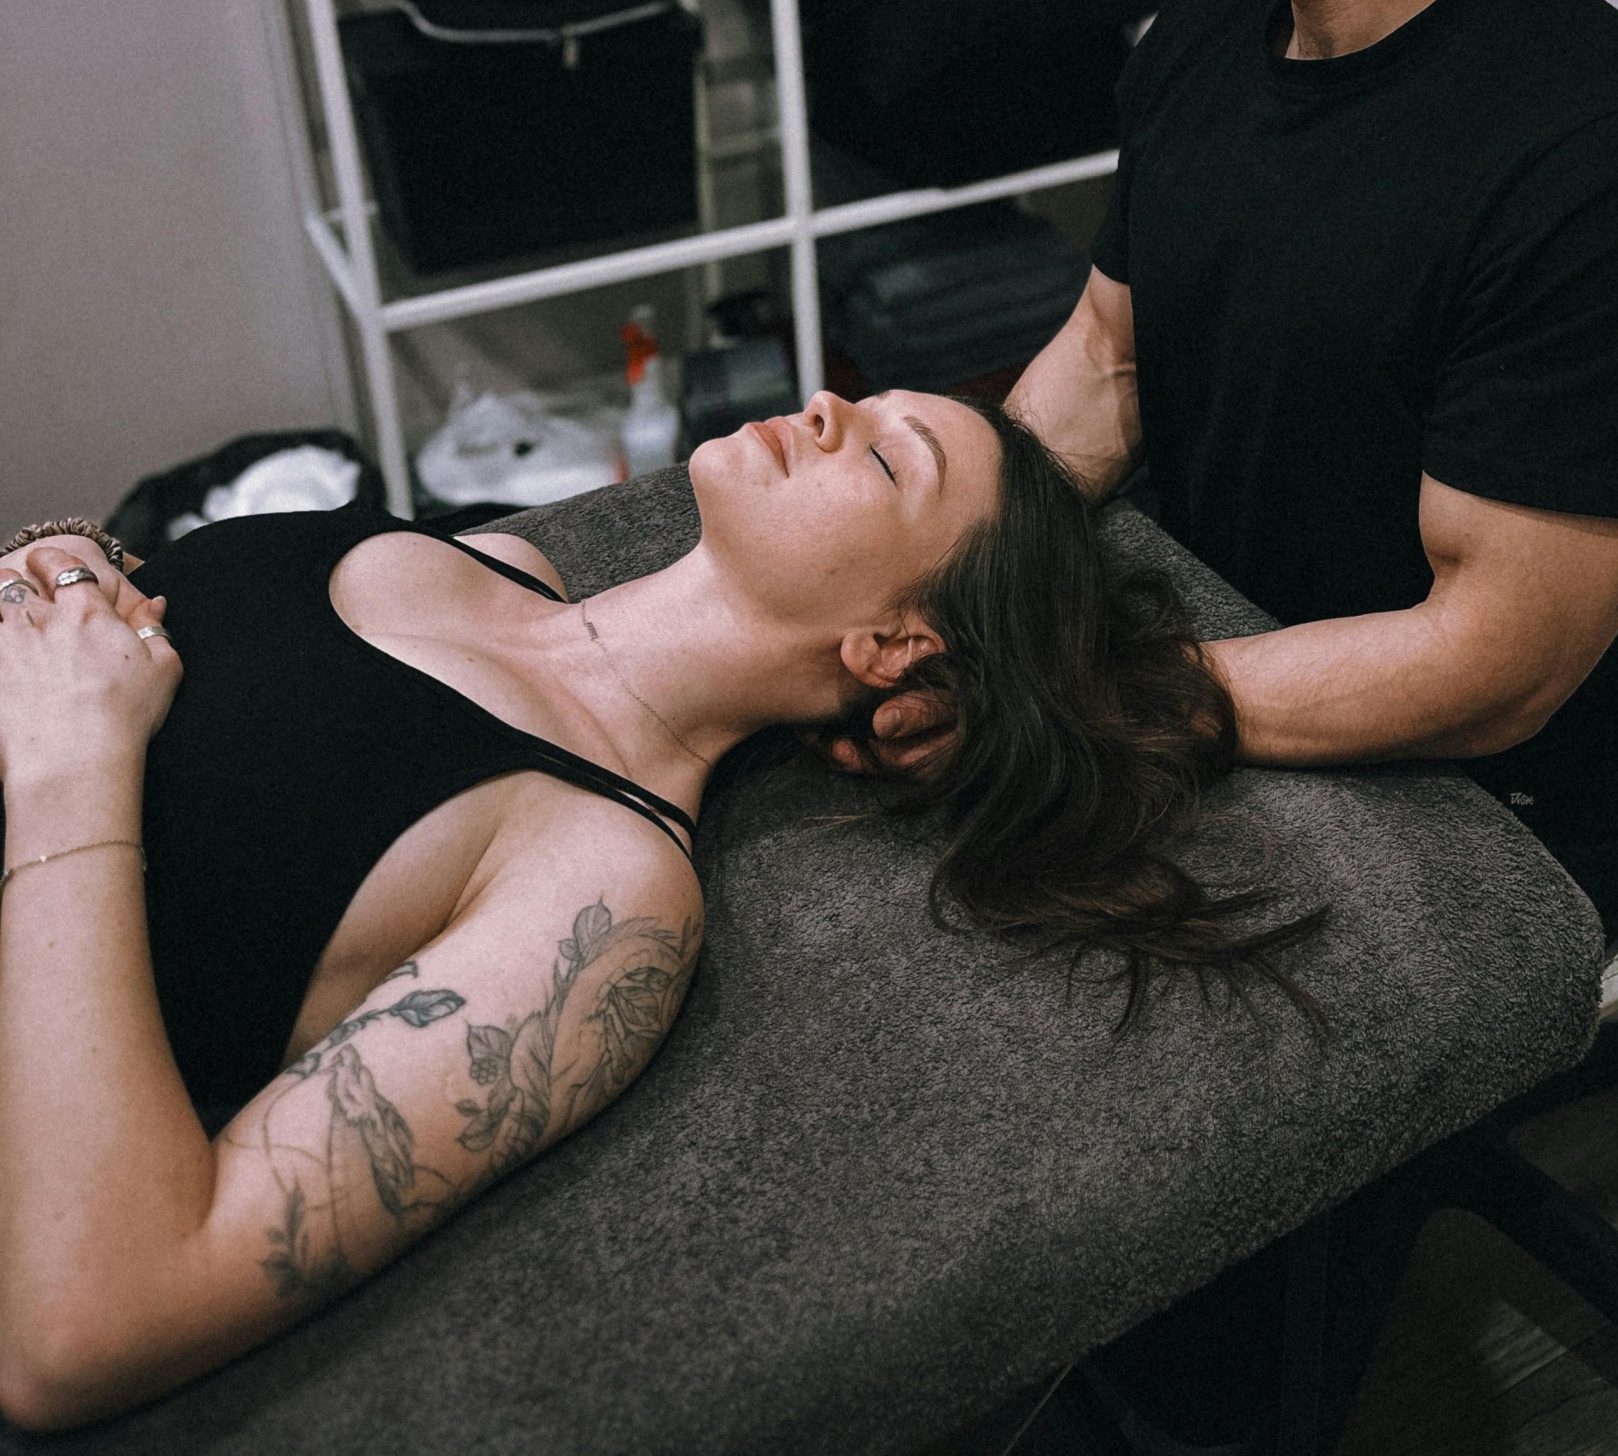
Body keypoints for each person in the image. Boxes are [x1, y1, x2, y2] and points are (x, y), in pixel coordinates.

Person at [860, 0, 1618, 1450]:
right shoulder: (1200, 32)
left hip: (1492, 797)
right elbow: (1107, 358)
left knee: (1146, 1208)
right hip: (1208, 651)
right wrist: (943, 559)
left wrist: (1088, 701)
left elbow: (1499, 662)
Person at [0, 393, 1317, 1432]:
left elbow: (86, 1325)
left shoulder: (608, 889)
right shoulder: (493, 556)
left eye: (883, 459)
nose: (822, 407)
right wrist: (68, 559)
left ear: (895, 647)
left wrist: (75, 766)